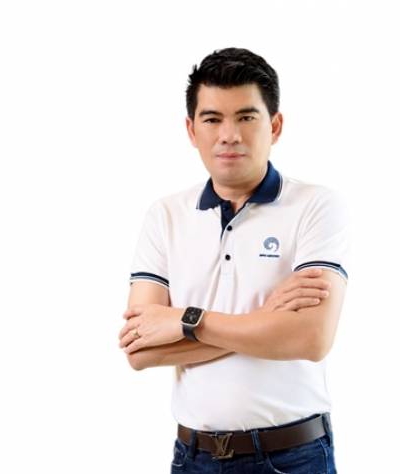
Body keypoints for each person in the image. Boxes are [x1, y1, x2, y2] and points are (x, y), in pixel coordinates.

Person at [119, 47, 349, 473]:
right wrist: (265, 321)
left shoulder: (315, 206)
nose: (229, 135)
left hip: (293, 457)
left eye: (246, 117)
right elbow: (140, 350)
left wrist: (185, 320)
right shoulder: (165, 216)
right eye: (212, 119)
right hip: (194, 458)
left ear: (274, 126)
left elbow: (312, 338)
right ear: (191, 130)